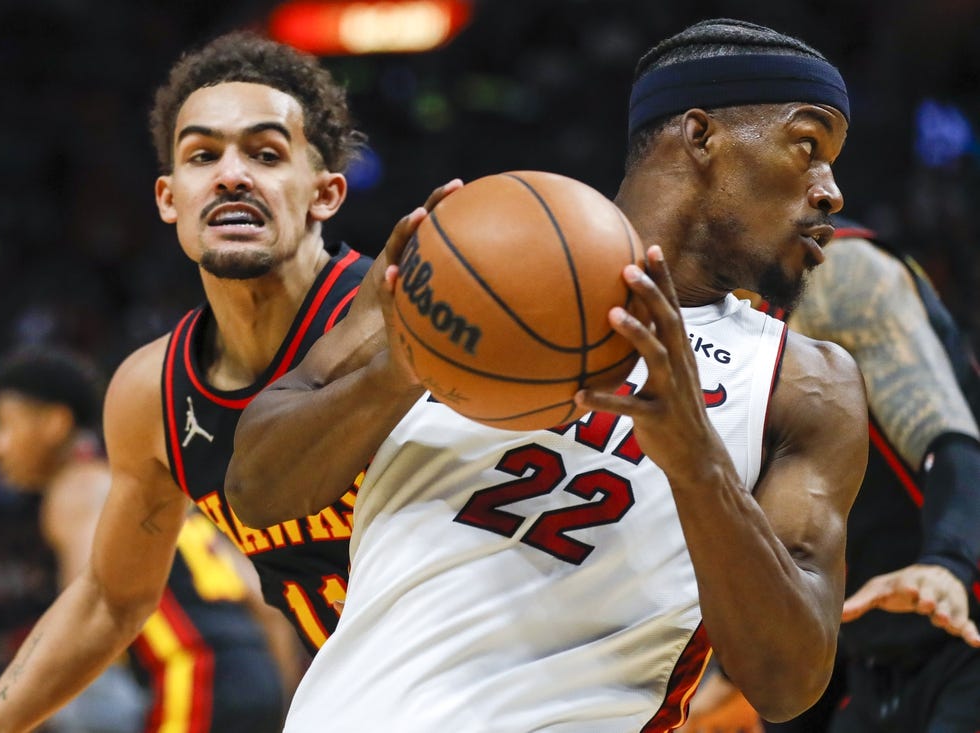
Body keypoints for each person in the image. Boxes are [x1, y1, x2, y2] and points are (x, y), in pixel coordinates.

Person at [224, 18, 869, 731]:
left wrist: (698, 464)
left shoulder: (802, 383)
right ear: (700, 135)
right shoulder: (463, 258)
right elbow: (255, 490)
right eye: (808, 148)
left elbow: (789, 680)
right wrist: (401, 367)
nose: (831, 190)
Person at [0, 30, 443, 732]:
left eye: (267, 153)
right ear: (168, 197)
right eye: (203, 155)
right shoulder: (151, 392)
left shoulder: (412, 314)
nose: (231, 175)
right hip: (363, 701)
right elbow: (109, 599)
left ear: (326, 193)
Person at [692, 220, 980, 732]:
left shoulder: (842, 277)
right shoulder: (703, 326)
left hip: (962, 620)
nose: (825, 187)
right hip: (864, 648)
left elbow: (953, 446)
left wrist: (948, 563)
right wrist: (727, 677)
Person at [0, 346, 298, 732]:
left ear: (54, 423)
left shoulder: (77, 490)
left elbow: (89, 618)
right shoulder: (146, 493)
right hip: (258, 674)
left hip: (191, 677)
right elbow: (266, 606)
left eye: (3, 424)